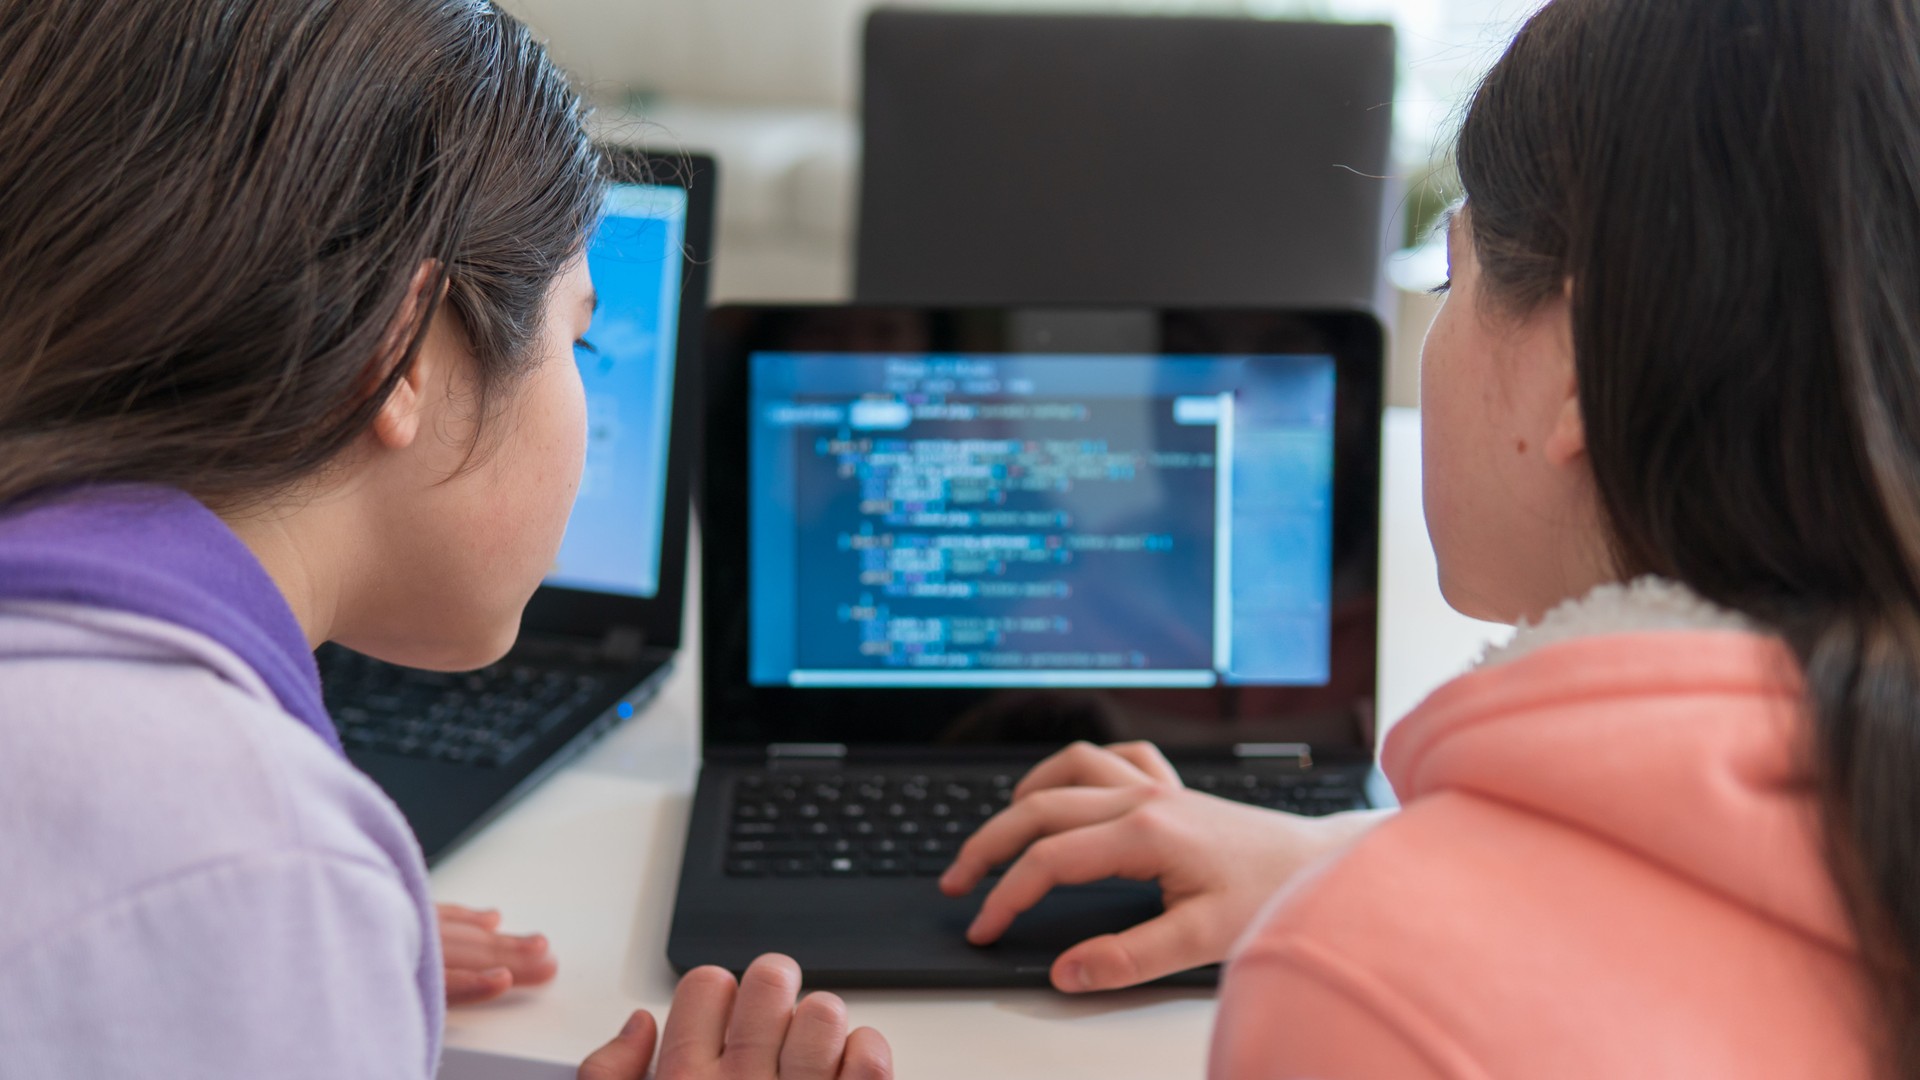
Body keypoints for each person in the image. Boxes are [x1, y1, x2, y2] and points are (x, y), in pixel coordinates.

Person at [933, 0, 1920, 1074]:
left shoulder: (1361, 994)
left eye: (1452, 278)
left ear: (1579, 365)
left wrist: (1387, 903)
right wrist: (1344, 847)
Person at [0, 1, 887, 1078]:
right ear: (402, 353)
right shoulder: (248, 865)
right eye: (583, 338)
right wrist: (283, 920)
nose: (584, 380)